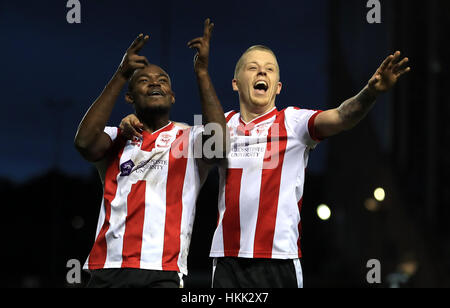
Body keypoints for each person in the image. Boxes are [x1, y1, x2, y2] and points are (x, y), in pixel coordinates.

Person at [121, 41, 410, 288]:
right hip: (227, 260)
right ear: (235, 83)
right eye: (253, 67)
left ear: (278, 86)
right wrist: (133, 122)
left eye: (270, 69)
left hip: (279, 260)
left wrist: (371, 92)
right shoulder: (220, 128)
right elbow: (168, 138)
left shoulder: (295, 123)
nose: (262, 71)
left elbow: (343, 116)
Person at [74, 19, 226, 288]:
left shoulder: (189, 138)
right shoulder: (116, 136)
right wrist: (122, 74)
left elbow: (219, 145)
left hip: (162, 272)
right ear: (130, 97)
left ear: (172, 96)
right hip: (108, 267)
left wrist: (201, 72)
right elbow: (84, 143)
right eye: (144, 80)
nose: (155, 83)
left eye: (163, 80)